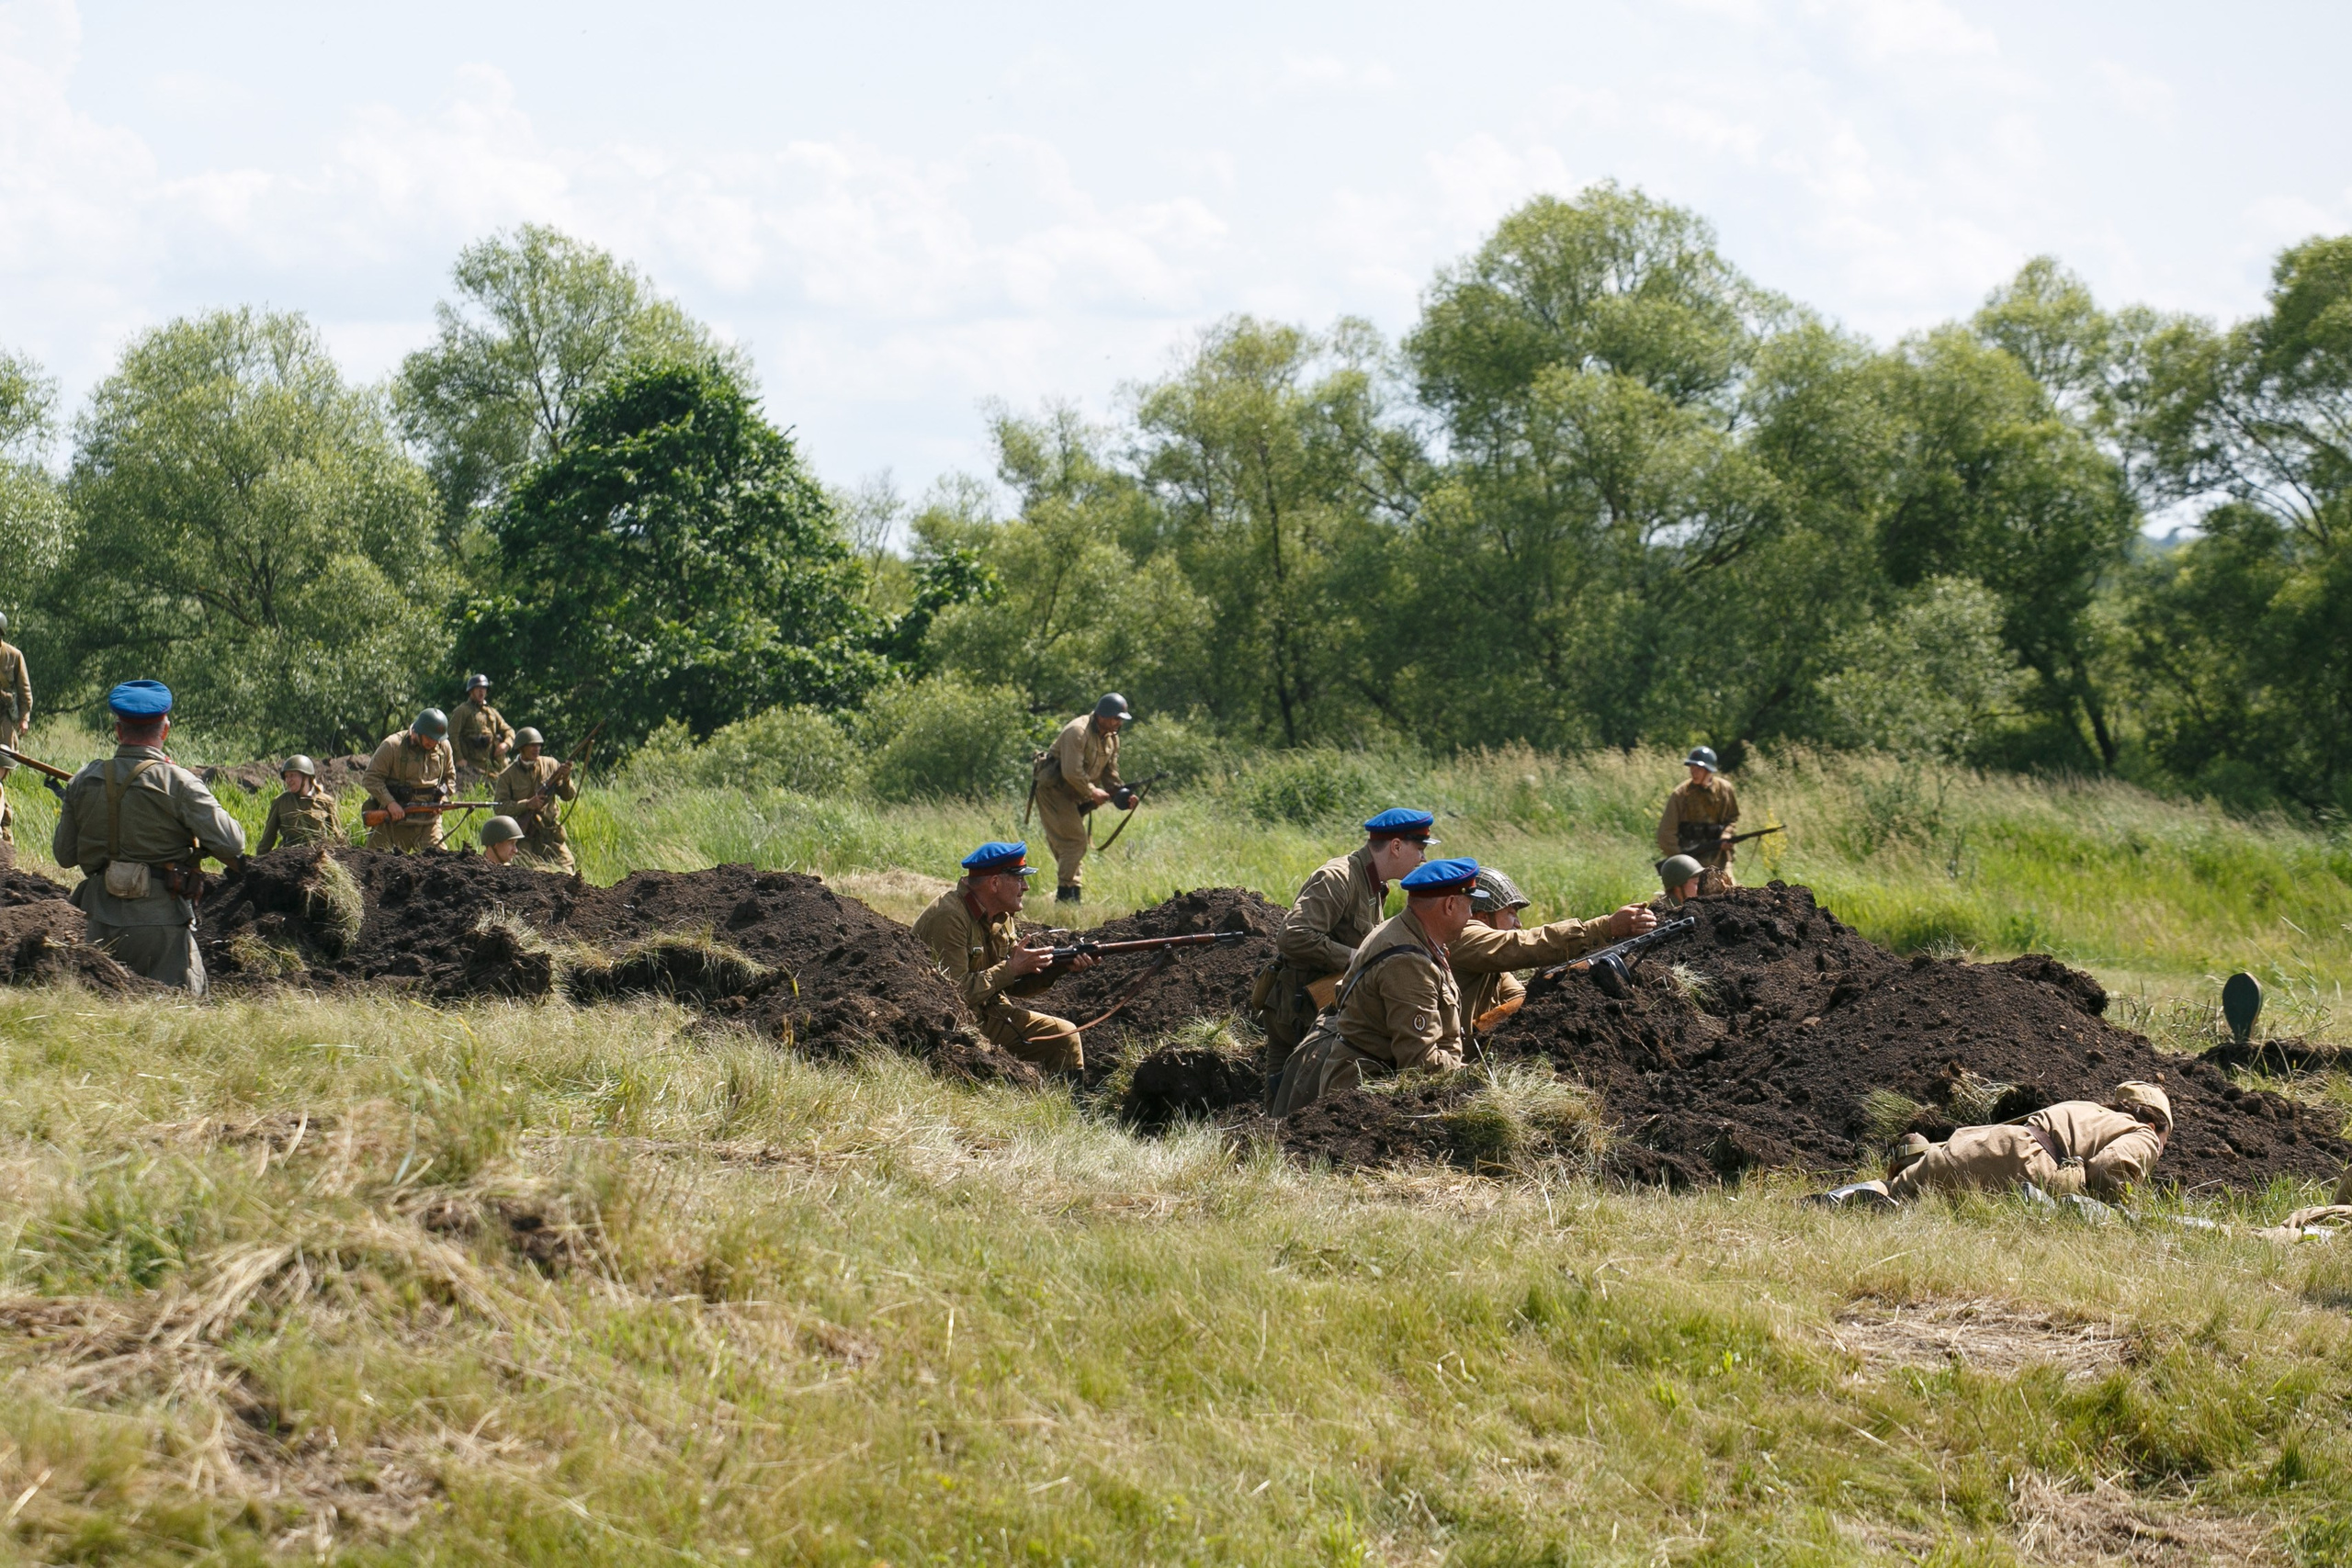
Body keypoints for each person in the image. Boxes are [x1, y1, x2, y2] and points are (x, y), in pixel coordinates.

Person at [51, 680, 246, 993]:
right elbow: (233, 841)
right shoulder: (179, 782)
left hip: (99, 919)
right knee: (175, 1018)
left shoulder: (83, 780)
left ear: (118, 731)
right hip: (161, 924)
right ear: (165, 730)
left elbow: (64, 855)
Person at [1271, 858, 1485, 1117]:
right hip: (1361, 1097)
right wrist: (1474, 1079)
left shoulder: (1408, 932)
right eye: (1469, 906)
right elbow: (1422, 1065)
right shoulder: (1409, 963)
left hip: (1360, 1082)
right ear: (1450, 905)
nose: (1471, 916)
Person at [1259, 807, 1437, 1111]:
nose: (1422, 859)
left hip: (1320, 1009)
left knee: (1304, 1101)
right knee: (1282, 1104)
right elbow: (1292, 936)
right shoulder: (1338, 877)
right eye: (1418, 849)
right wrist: (1357, 957)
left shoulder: (1374, 885)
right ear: (1395, 846)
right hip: (1296, 1009)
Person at [911, 841, 1100, 1075]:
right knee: (1064, 1037)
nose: (1026, 887)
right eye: (1019, 879)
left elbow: (1013, 984)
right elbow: (954, 994)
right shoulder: (950, 917)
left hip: (988, 1011)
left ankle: (1068, 1109)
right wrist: (1011, 969)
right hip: (949, 1022)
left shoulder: (1002, 914)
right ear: (994, 883)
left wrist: (1058, 968)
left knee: (1064, 1036)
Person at [1820, 1083, 2173, 1207]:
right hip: (2026, 1164)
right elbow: (2111, 1171)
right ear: (2157, 1124)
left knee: (1897, 1190)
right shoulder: (2143, 1133)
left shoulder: (2084, 1109)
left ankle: (1836, 1199)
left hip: (1978, 1143)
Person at [1452, 866, 1658, 1031]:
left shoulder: (1488, 958)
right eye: (1511, 913)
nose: (1518, 924)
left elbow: (1520, 998)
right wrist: (1603, 928)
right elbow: (1525, 945)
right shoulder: (1465, 937)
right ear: (1482, 917)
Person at [1029, 694, 1130, 904]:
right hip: (1054, 792)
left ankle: (1072, 895)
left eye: (1121, 719)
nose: (1119, 723)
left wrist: (1124, 796)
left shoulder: (1112, 738)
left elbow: (1110, 774)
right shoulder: (1077, 731)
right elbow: (1071, 772)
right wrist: (1093, 792)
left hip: (1075, 795)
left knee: (1071, 845)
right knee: (1074, 842)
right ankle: (1065, 897)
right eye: (1116, 718)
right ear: (1102, 716)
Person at [362, 710, 458, 852]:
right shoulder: (392, 746)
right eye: (430, 738)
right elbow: (371, 778)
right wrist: (390, 803)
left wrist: (442, 797)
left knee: (441, 864)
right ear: (417, 731)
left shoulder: (443, 747)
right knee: (373, 863)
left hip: (428, 822)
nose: (434, 742)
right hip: (394, 821)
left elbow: (450, 778)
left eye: (437, 739)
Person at [492, 727, 578, 873]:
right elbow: (499, 808)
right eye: (532, 745)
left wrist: (566, 778)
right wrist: (527, 804)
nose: (536, 748)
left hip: (550, 833)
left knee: (568, 868)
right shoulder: (507, 775)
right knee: (527, 871)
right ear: (521, 748)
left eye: (539, 745)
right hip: (525, 836)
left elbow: (568, 796)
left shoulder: (551, 765)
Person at [1657, 746, 1740, 887]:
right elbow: (1666, 832)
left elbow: (1732, 818)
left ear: (1709, 770)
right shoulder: (1680, 795)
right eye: (1692, 768)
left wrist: (1726, 835)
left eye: (1699, 769)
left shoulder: (1725, 790)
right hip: (1691, 864)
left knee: (1731, 894)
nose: (1694, 772)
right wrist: (1681, 859)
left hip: (1719, 859)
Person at [256, 756, 341, 852]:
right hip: (289, 858)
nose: (288, 780)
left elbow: (337, 836)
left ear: (306, 776)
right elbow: (267, 839)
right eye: (286, 777)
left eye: (292, 775)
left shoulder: (326, 802)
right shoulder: (280, 802)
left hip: (318, 857)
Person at [0, 611, 28, 858]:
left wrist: (24, 718)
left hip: (4, 721)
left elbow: (24, 688)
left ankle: (4, 833)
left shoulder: (13, 656)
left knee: (2, 771)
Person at [452, 674, 514, 774]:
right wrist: (459, 758)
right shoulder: (462, 711)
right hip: (471, 766)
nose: (481, 691)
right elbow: (452, 734)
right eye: (478, 688)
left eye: (484, 688)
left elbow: (508, 730)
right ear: (471, 691)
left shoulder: (491, 712)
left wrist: (506, 744)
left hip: (493, 766)